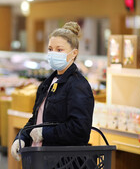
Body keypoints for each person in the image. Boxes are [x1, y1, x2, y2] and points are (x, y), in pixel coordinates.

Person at [11, 21, 94, 161]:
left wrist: (45, 133)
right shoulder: (48, 82)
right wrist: (21, 137)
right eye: (50, 49)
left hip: (64, 161)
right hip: (41, 157)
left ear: (74, 53)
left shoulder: (78, 85)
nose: (53, 53)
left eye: (59, 50)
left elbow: (80, 130)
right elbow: (36, 119)